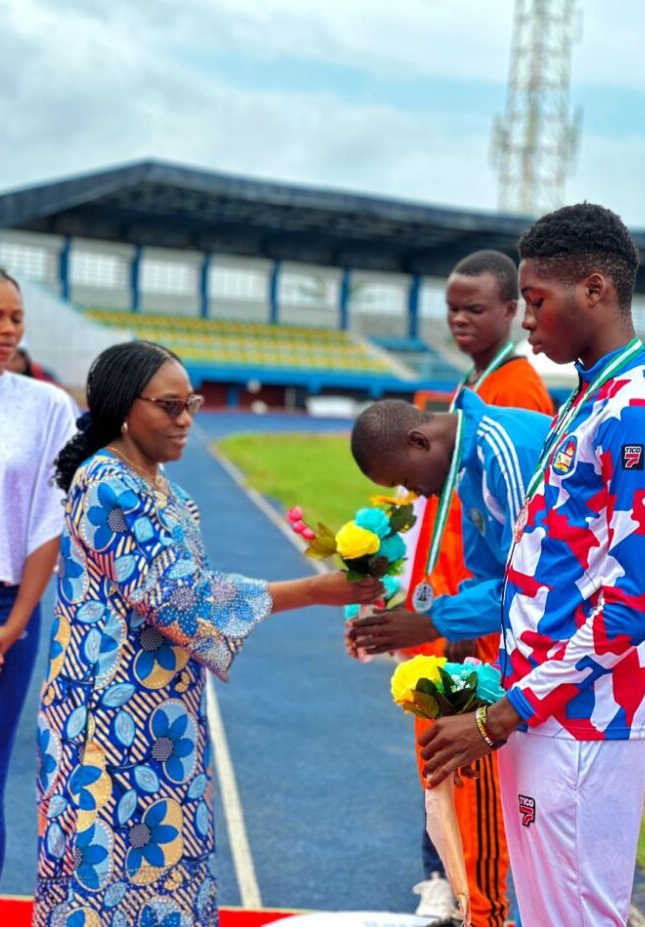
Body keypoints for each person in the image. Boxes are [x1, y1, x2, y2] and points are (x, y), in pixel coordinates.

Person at [33, 340, 383, 927]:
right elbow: (176, 598)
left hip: (160, 712)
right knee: (108, 873)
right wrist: (315, 591)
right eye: (169, 406)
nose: (186, 419)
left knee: (165, 863)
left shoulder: (166, 489)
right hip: (108, 716)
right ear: (124, 407)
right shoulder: (106, 482)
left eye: (190, 403)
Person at [418, 203, 645, 926]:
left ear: (593, 290)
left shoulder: (637, 409)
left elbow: (633, 602)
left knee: (577, 917)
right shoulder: (584, 401)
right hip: (543, 711)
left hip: (583, 720)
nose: (527, 321)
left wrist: (503, 714)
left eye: (534, 301)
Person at [359, 250, 554, 926]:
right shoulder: (466, 407)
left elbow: (529, 577)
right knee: (467, 766)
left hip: (556, 637)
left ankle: (476, 890)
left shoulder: (512, 405)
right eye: (453, 308)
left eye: (478, 307)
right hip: (481, 615)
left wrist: (438, 620)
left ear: (510, 309)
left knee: (524, 797)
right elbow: (482, 557)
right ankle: (465, 885)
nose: (461, 319)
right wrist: (430, 611)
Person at [0, 266, 76, 926]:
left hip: (4, 609)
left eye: (17, 317)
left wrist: (11, 623)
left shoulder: (48, 406)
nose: (10, 328)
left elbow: (50, 515)